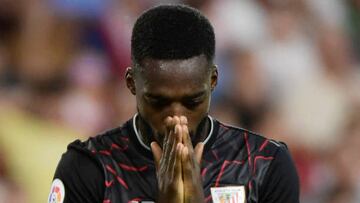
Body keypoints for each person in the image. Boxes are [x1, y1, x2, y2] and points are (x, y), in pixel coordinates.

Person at [48, 4, 299, 203]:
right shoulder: (89, 168)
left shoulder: (264, 164)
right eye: (158, 101)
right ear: (131, 83)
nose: (176, 117)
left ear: (213, 81)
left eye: (193, 101)